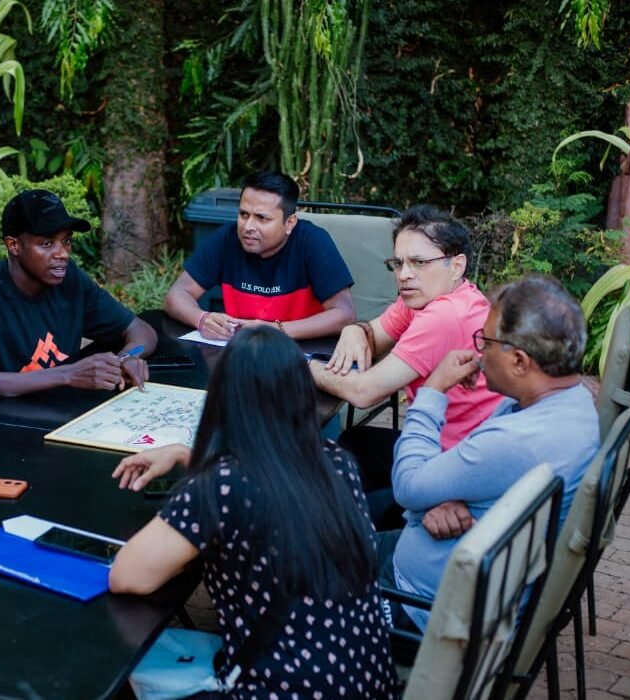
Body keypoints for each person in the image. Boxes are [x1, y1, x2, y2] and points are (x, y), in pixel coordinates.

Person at [108, 326, 400, 699]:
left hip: (280, 689)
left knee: (127, 674)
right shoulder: (338, 463)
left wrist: (203, 473)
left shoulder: (224, 485)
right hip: (367, 682)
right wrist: (190, 455)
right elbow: (275, 484)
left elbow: (128, 576)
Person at [377, 275, 600, 636]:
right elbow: (444, 483)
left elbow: (407, 485)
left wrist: (434, 388)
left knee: (297, 568)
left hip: (420, 610)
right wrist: (429, 504)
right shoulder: (573, 403)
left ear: (520, 362)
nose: (478, 352)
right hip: (458, 582)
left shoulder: (515, 440)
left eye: (487, 342)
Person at [310, 204, 504, 528]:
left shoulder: (444, 315)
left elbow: (363, 392)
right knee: (352, 444)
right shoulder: (423, 297)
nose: (404, 274)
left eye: (418, 262)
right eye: (398, 263)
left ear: (456, 266)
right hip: (450, 441)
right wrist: (355, 329)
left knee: (331, 459)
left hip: (457, 462)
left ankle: (348, 543)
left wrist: (305, 369)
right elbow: (376, 334)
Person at [0, 189, 156, 396]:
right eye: (47, 243)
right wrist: (67, 375)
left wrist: (126, 358)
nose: (63, 253)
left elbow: (141, 330)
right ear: (13, 245)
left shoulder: (69, 278)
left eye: (66, 241)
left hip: (64, 409)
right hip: (9, 418)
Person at [164, 171, 355, 340]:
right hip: (241, 353)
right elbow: (177, 295)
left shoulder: (313, 242)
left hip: (299, 354)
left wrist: (275, 331)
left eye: (262, 218)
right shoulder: (227, 238)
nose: (248, 227)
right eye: (244, 214)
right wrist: (202, 319)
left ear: (289, 223)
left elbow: (344, 314)